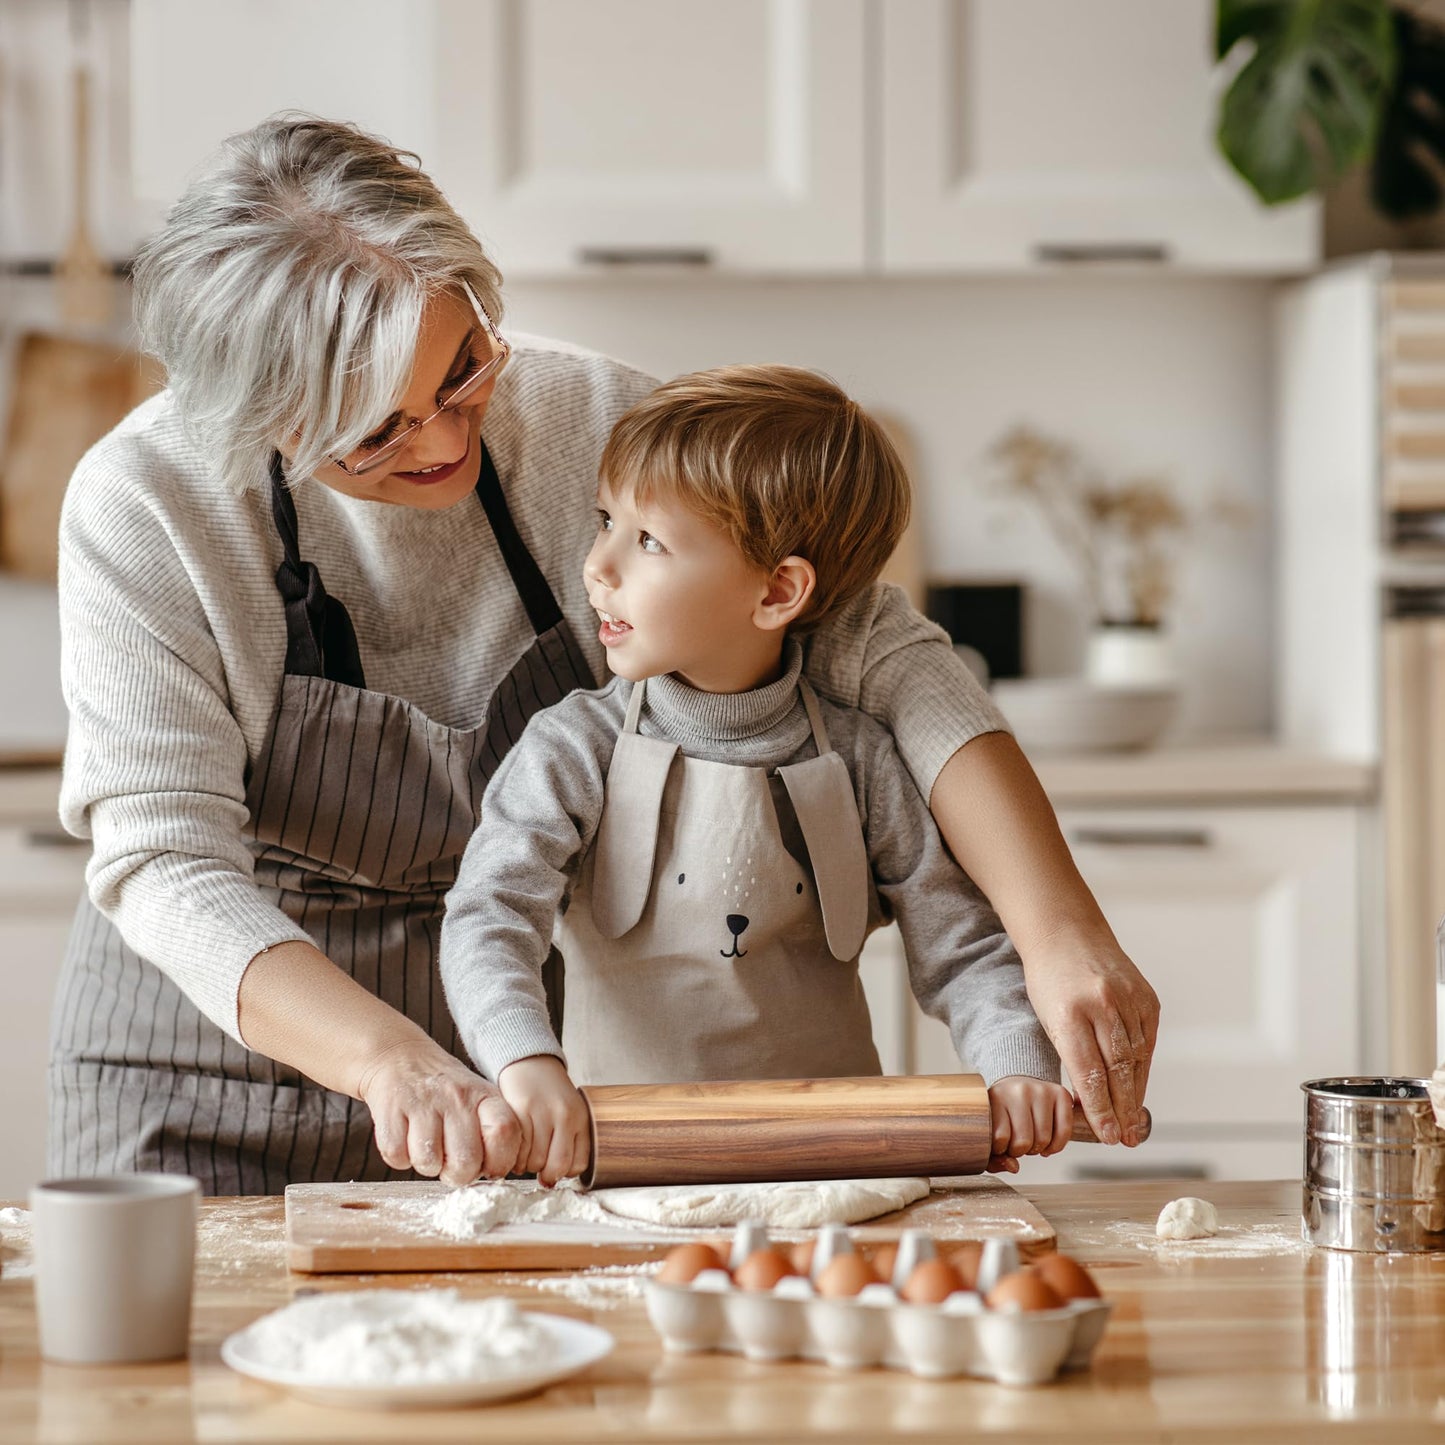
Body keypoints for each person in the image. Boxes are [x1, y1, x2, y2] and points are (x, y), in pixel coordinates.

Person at [51, 114, 1155, 1194]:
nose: (443, 440)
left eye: (463, 368)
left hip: (515, 1074)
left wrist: (1058, 932)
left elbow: (887, 654)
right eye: (371, 429)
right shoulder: (148, 505)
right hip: (198, 1072)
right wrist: (387, 1059)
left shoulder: (593, 417)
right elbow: (166, 858)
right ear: (253, 416)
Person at [439, 366, 1074, 1184]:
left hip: (833, 1173)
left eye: (649, 541)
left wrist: (1013, 1065)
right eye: (605, 522)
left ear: (778, 590)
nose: (598, 565)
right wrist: (525, 1061)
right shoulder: (572, 748)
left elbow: (965, 947)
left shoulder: (861, 760)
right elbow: (487, 915)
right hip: (616, 1168)